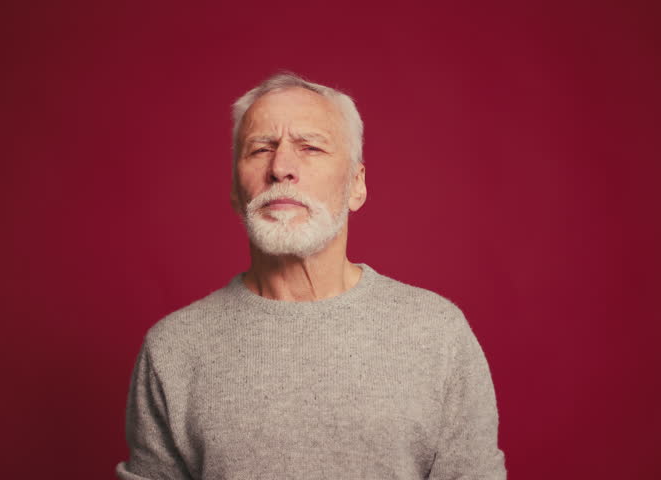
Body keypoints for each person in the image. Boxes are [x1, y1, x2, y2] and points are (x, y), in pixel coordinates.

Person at [116, 72, 506, 479]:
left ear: (356, 185)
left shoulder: (437, 333)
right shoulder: (174, 348)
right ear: (235, 188)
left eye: (311, 147)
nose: (281, 167)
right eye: (260, 148)